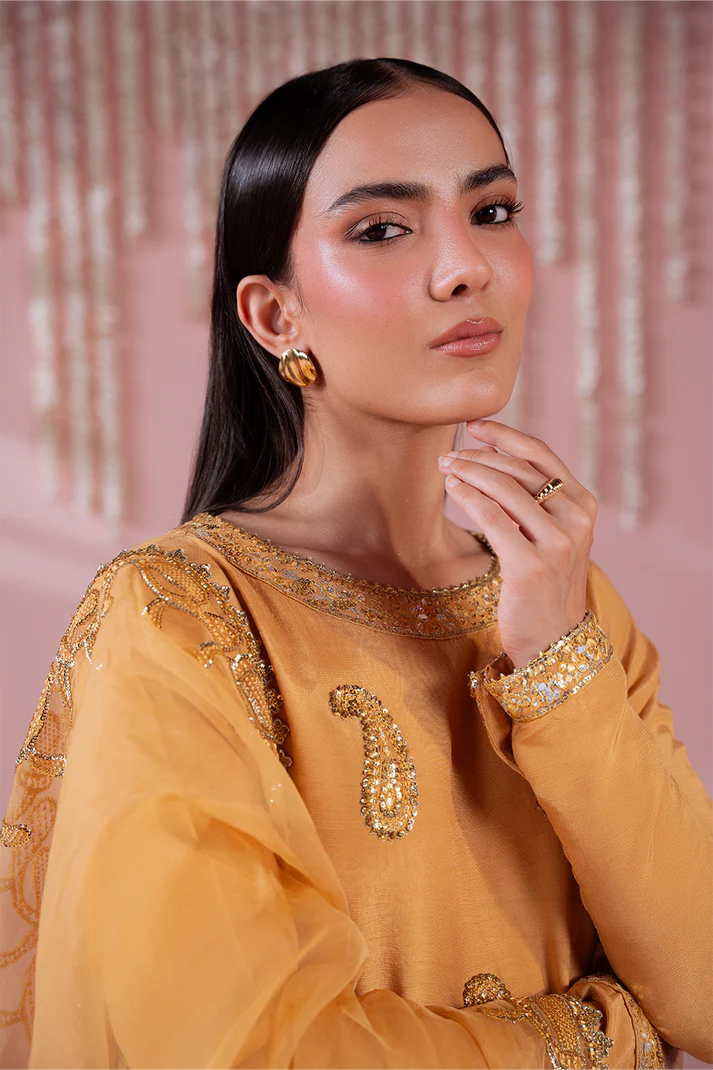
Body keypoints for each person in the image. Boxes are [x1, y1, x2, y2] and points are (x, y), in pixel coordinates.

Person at [1, 57, 710, 1070]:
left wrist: (560, 664)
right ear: (273, 316)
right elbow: (264, 1051)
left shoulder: (558, 593)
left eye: (492, 211)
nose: (463, 268)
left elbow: (703, 992)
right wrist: (604, 1041)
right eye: (382, 229)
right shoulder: (176, 614)